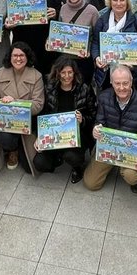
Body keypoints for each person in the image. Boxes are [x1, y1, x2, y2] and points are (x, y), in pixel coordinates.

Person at [84, 64, 137, 194]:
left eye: (125, 83)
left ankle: (136, 179)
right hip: (109, 147)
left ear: (131, 82)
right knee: (91, 183)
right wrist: (96, 129)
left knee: (132, 177)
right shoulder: (103, 97)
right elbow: (99, 122)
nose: (121, 88)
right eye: (117, 83)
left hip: (131, 150)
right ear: (111, 83)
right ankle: (111, 164)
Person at [33, 55, 96, 183]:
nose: (67, 76)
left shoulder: (84, 89)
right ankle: (57, 156)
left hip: (77, 135)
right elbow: (43, 115)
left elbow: (94, 115)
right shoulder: (50, 88)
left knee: (72, 156)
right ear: (57, 72)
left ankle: (77, 167)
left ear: (75, 73)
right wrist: (39, 136)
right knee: (40, 163)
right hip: (54, 134)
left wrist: (82, 120)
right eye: (63, 72)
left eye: (70, 72)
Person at [0, 42, 46, 172]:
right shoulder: (0, 73)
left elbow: (38, 104)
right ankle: (12, 150)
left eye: (22, 55)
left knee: (29, 167)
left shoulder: (37, 76)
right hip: (6, 121)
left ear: (27, 57)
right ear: (10, 57)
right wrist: (2, 102)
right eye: (15, 55)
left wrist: (15, 103)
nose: (18, 59)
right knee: (4, 138)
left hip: (27, 122)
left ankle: (22, 146)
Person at [91, 0, 137, 92]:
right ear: (110, 2)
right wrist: (96, 58)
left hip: (133, 75)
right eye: (115, 0)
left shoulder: (136, 20)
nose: (119, 3)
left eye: (122, 0)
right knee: (108, 104)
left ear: (127, 2)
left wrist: (136, 64)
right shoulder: (102, 20)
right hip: (107, 73)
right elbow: (95, 43)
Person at [9, 0, 62, 70]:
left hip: (45, 44)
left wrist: (55, 13)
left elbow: (60, 15)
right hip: (23, 41)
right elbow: (12, 16)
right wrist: (10, 23)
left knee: (44, 75)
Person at [57, 0, 99, 84]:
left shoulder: (92, 11)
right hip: (66, 61)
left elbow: (97, 37)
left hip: (84, 61)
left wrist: (89, 51)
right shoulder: (63, 9)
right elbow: (59, 32)